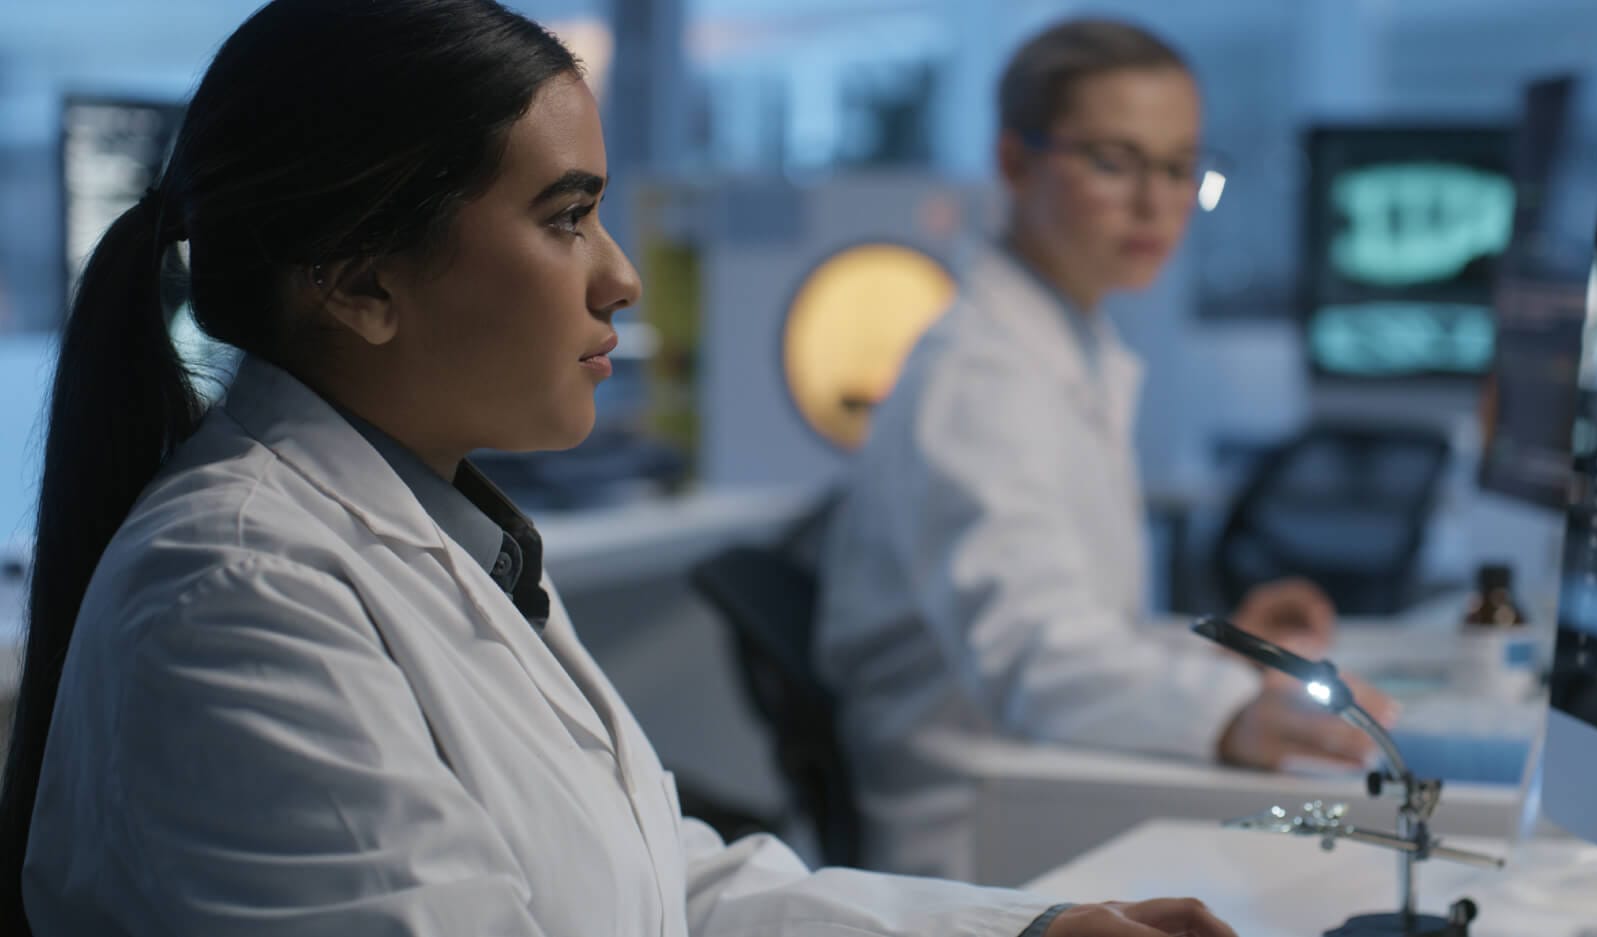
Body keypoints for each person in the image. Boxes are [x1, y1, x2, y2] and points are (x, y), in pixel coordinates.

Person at [0, 3, 1241, 935]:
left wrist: (1022, 930)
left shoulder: (442, 532)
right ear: (359, 276)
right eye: (565, 217)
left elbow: (667, 887)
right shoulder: (236, 591)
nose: (622, 276)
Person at [816, 18, 1396, 879]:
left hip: (1049, 779)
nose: (1156, 202)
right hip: (976, 833)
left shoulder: (1067, 348)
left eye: (1176, 166)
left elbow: (1070, 627)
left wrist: (1218, 649)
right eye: (1113, 162)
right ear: (1015, 162)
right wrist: (1233, 710)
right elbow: (1035, 657)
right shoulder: (979, 378)